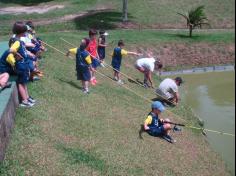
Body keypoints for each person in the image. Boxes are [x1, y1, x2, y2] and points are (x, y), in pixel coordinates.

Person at [9, 21, 36, 107]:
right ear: (21, 32)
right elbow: (11, 50)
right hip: (20, 65)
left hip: (23, 64)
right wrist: (17, 55)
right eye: (25, 31)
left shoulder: (19, 40)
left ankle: (27, 98)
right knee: (21, 83)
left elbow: (22, 49)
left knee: (24, 82)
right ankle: (24, 101)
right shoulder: (17, 41)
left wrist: (28, 53)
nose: (26, 33)